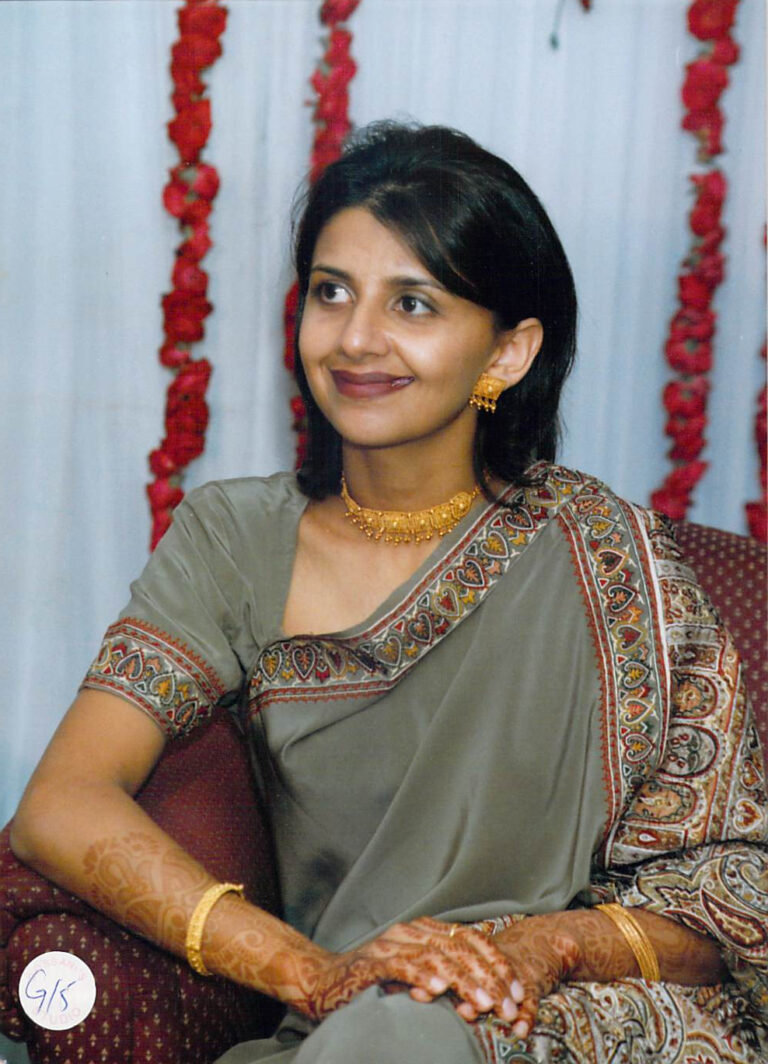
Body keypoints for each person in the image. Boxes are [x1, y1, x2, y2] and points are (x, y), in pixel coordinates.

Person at [11, 122, 767, 1064]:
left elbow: (732, 888)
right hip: (351, 1015)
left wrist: (542, 948)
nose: (356, 338)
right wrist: (310, 971)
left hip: (579, 1013)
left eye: (413, 303)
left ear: (507, 354)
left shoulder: (606, 555)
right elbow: (60, 803)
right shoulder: (235, 540)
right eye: (331, 292)